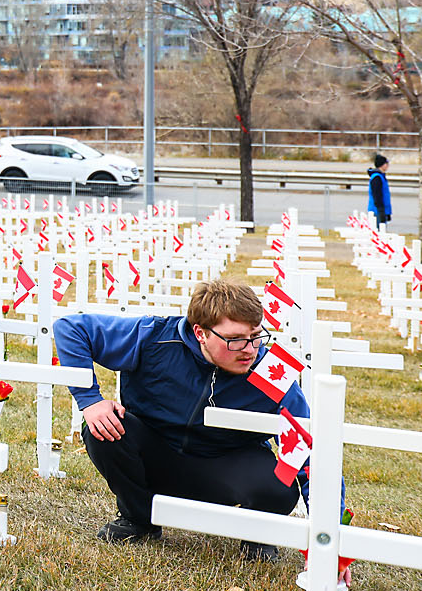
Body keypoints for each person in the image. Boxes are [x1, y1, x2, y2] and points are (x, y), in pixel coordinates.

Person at [53, 279, 311, 558]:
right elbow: (70, 328)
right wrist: (90, 400)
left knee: (279, 486)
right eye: (235, 339)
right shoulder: (154, 337)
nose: (250, 349)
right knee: (104, 430)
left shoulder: (272, 370)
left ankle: (257, 535)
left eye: (256, 335)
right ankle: (139, 517)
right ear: (200, 333)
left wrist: (329, 539)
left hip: (227, 463)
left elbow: (308, 450)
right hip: (157, 453)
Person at [368, 154, 392, 230]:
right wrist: (381, 211)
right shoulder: (377, 178)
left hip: (383, 210)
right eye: (386, 163)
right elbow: (377, 195)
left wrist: (387, 212)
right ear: (382, 165)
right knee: (378, 232)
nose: (388, 165)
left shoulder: (381, 176)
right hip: (377, 211)